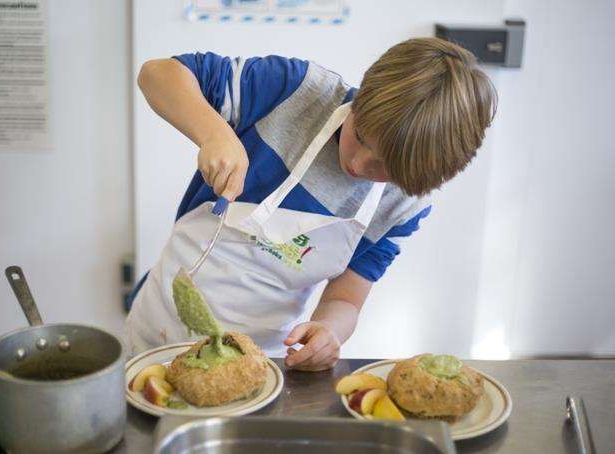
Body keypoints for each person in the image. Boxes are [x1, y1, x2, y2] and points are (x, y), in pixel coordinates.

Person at [125, 37, 497, 371]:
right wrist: (215, 135)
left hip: (258, 360)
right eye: (360, 135)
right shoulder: (295, 91)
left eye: (383, 167)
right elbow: (157, 74)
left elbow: (346, 299)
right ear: (362, 95)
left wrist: (329, 332)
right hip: (157, 329)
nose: (356, 164)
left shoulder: (403, 204)